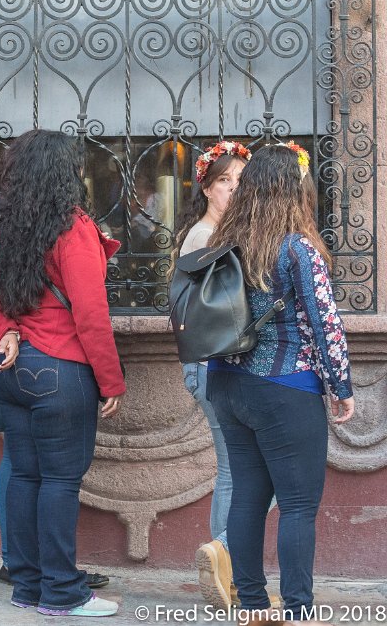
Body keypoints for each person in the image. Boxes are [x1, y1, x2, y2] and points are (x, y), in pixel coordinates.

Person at [0, 130, 124, 617]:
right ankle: (62, 591)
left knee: (25, 478)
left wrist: (5, 332)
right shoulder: (72, 227)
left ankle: (28, 585)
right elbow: (91, 313)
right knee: (60, 482)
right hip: (61, 370)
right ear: (67, 174)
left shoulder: (6, 226)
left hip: (13, 370)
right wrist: (111, 380)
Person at [205, 142, 354, 620]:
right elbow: (325, 323)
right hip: (285, 387)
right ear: (295, 189)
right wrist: (341, 386)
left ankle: (251, 604)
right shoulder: (296, 246)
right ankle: (297, 611)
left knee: (247, 496)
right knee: (297, 505)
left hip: (227, 383)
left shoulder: (224, 241)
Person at [171, 141, 249, 608]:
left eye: (240, 181)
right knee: (237, 469)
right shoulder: (205, 238)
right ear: (205, 186)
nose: (233, 189)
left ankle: (226, 555)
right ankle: (224, 557)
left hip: (213, 366)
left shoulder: (219, 232)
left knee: (239, 468)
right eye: (224, 181)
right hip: (210, 365)